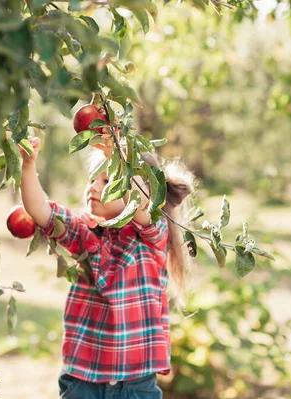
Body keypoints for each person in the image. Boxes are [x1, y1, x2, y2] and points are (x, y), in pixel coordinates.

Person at [18, 132, 194, 399]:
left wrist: (118, 155)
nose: (94, 187)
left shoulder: (151, 233)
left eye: (108, 180)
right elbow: (40, 210)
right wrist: (29, 166)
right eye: (93, 179)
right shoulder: (83, 230)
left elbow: (141, 202)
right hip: (82, 380)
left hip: (135, 384)